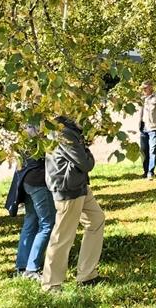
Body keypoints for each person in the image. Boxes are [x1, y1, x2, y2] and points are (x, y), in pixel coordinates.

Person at [41, 116, 105, 292]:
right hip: (68, 189)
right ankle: (51, 284)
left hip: (78, 185)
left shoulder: (68, 130)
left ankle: (87, 274)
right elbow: (85, 163)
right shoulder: (63, 133)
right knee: (63, 237)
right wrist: (87, 151)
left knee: (96, 219)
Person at [7, 126, 55, 280]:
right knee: (47, 223)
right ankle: (32, 268)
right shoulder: (43, 130)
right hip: (38, 181)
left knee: (31, 220)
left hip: (26, 180)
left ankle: (22, 266)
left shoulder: (25, 129)